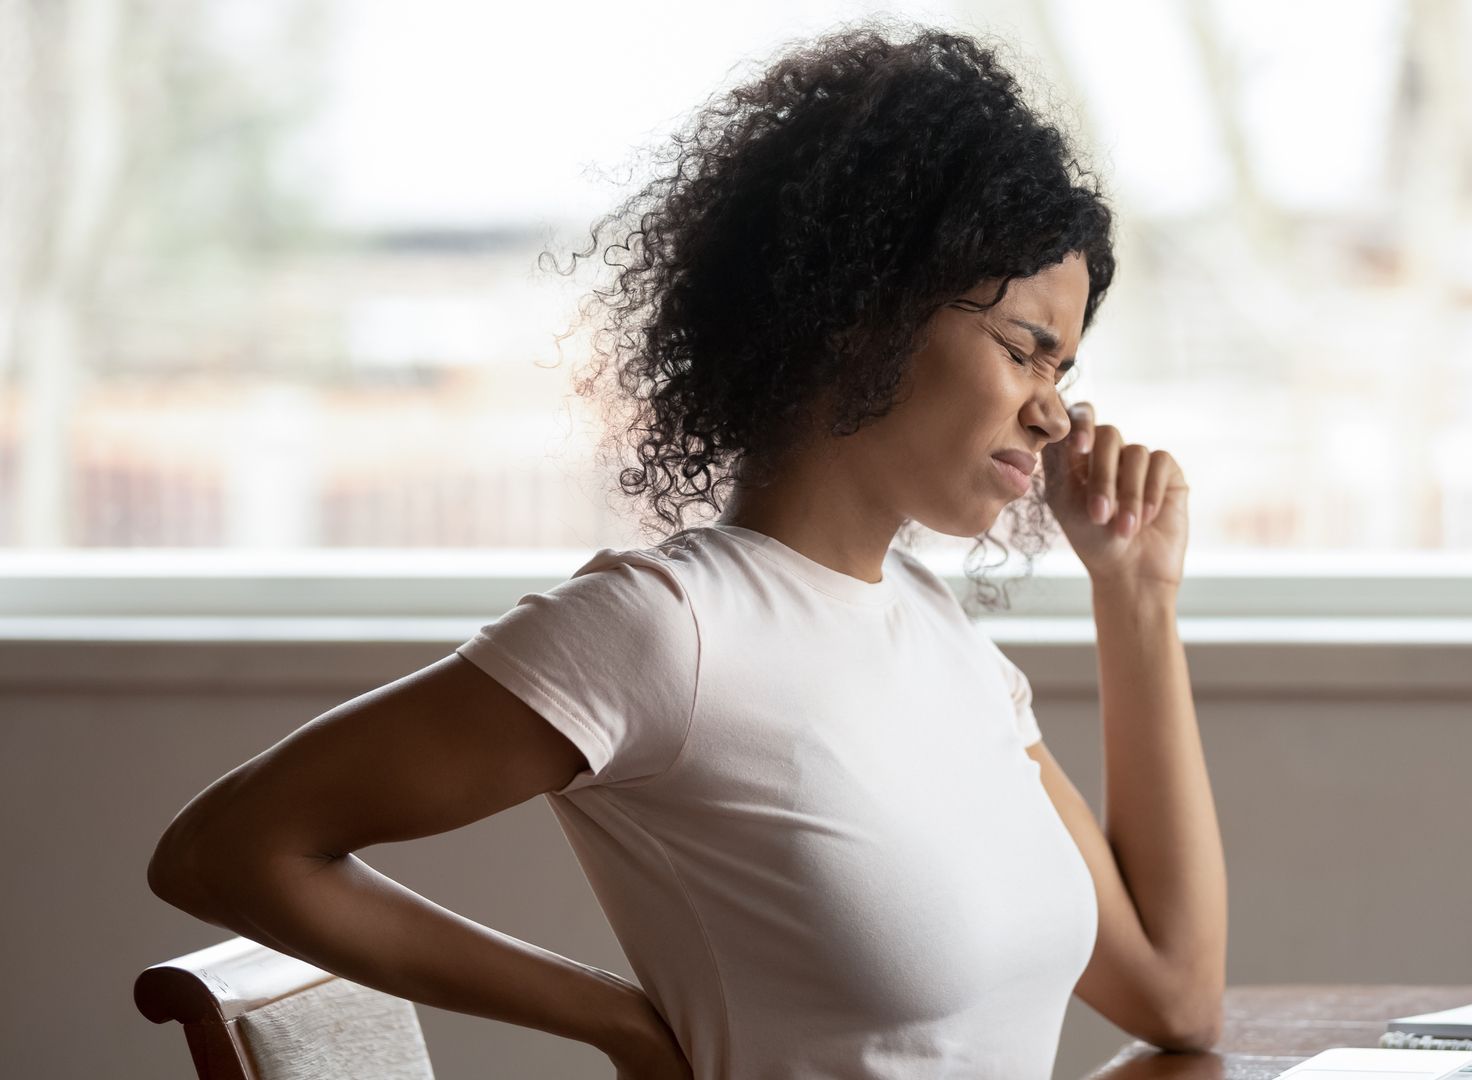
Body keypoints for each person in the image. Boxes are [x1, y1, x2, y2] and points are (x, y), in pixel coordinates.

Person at [146, 20, 1225, 1079]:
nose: (1053, 415)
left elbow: (1175, 997)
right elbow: (229, 851)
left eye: (1066, 373)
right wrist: (616, 1022)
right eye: (1026, 352)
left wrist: (1136, 595)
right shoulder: (667, 630)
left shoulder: (940, 637)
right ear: (866, 310)